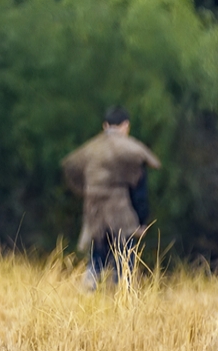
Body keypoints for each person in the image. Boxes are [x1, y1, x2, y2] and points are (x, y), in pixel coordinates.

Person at [60, 105, 161, 289]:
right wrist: (142, 219)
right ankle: (121, 298)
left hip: (94, 212)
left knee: (96, 259)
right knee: (124, 262)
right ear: (126, 125)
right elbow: (139, 188)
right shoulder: (131, 150)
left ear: (105, 125)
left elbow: (71, 171)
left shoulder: (90, 149)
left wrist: (86, 192)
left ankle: (87, 296)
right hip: (120, 213)